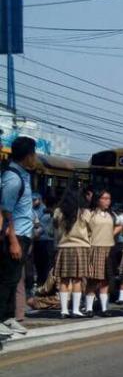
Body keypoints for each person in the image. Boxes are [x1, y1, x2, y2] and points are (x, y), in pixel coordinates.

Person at [1, 137, 37, 335]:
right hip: (14, 237)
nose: (36, 158)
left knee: (14, 279)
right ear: (28, 156)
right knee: (6, 279)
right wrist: (13, 240)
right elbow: (6, 211)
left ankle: (8, 317)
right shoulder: (13, 178)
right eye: (34, 154)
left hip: (24, 235)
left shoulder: (24, 175)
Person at [52, 188, 92, 319]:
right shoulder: (84, 212)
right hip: (80, 248)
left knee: (63, 280)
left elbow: (55, 228)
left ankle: (64, 310)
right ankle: (75, 310)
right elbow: (91, 230)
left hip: (63, 248)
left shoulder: (58, 211)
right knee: (77, 280)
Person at [84, 190, 122, 317]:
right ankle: (89, 308)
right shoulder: (90, 213)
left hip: (109, 249)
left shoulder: (111, 214)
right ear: (97, 199)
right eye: (104, 198)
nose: (107, 201)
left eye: (109, 198)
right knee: (93, 280)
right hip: (95, 248)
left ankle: (104, 308)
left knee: (106, 280)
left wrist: (111, 234)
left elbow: (120, 224)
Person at [32, 194, 55, 292]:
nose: (33, 202)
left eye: (35, 199)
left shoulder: (48, 210)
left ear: (40, 200)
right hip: (37, 240)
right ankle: (40, 284)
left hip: (48, 241)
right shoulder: (32, 210)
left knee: (47, 264)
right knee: (38, 263)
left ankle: (47, 286)